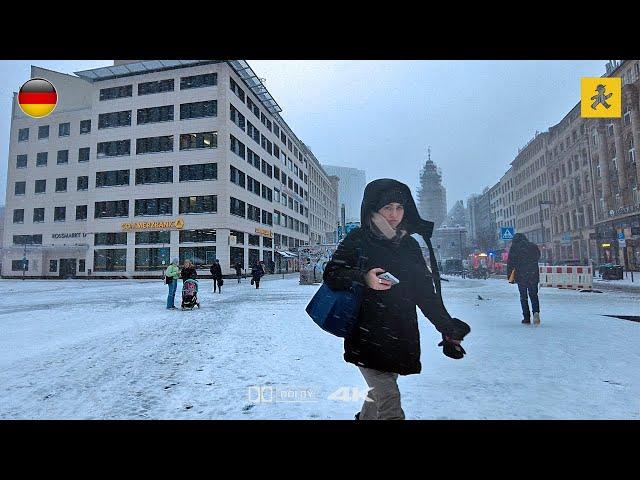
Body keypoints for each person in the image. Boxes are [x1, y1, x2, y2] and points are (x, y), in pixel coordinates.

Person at [323, 178, 470, 420]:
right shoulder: (358, 238)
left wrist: (447, 328)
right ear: (374, 209)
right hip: (366, 335)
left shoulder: (409, 245)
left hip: (399, 334)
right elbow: (332, 274)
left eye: (399, 208)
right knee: (390, 402)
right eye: (387, 208)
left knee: (380, 393)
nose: (394, 214)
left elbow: (424, 292)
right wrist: (363, 278)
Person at [507, 233, 541, 325]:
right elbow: (538, 257)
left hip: (521, 275)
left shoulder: (514, 248)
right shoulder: (533, 246)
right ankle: (536, 312)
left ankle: (526, 318)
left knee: (523, 297)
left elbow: (510, 263)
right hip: (533, 274)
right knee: (534, 295)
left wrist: (509, 276)